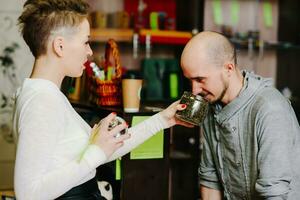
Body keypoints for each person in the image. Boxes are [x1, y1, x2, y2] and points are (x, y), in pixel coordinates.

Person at [13, 0, 191, 199]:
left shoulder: (47, 94)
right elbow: (28, 194)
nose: (89, 52)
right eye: (86, 42)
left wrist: (162, 120)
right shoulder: (42, 100)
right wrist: (96, 151)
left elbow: (104, 152)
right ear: (60, 46)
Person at [180, 31, 300, 200]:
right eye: (190, 80)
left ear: (228, 68)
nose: (194, 90)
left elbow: (274, 193)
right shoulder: (210, 102)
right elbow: (210, 177)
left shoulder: (270, 108)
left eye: (200, 79)